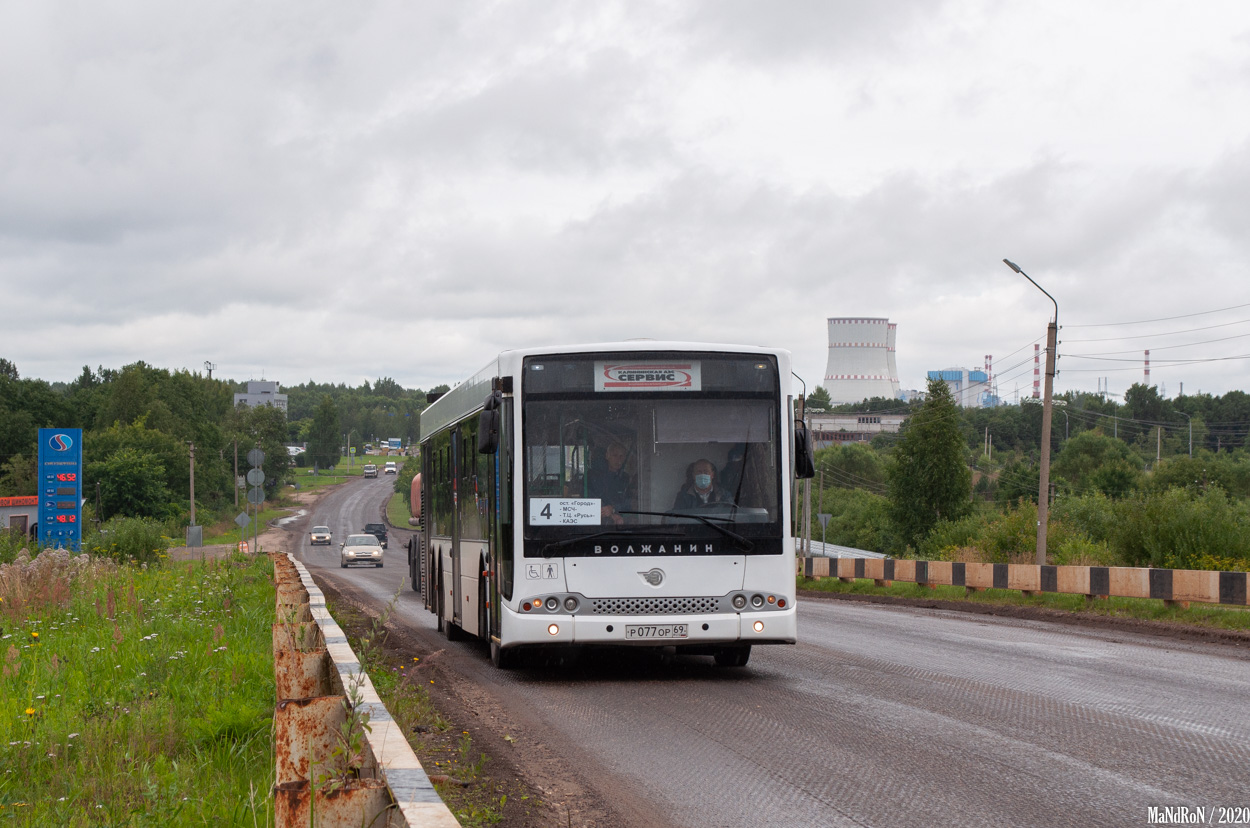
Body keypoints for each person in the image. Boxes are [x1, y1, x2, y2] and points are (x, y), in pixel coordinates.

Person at [587, 441, 632, 525]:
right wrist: (609, 514)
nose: (618, 459)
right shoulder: (593, 476)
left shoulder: (625, 478)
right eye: (615, 455)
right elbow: (589, 498)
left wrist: (613, 508)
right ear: (607, 455)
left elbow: (629, 503)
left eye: (621, 456)